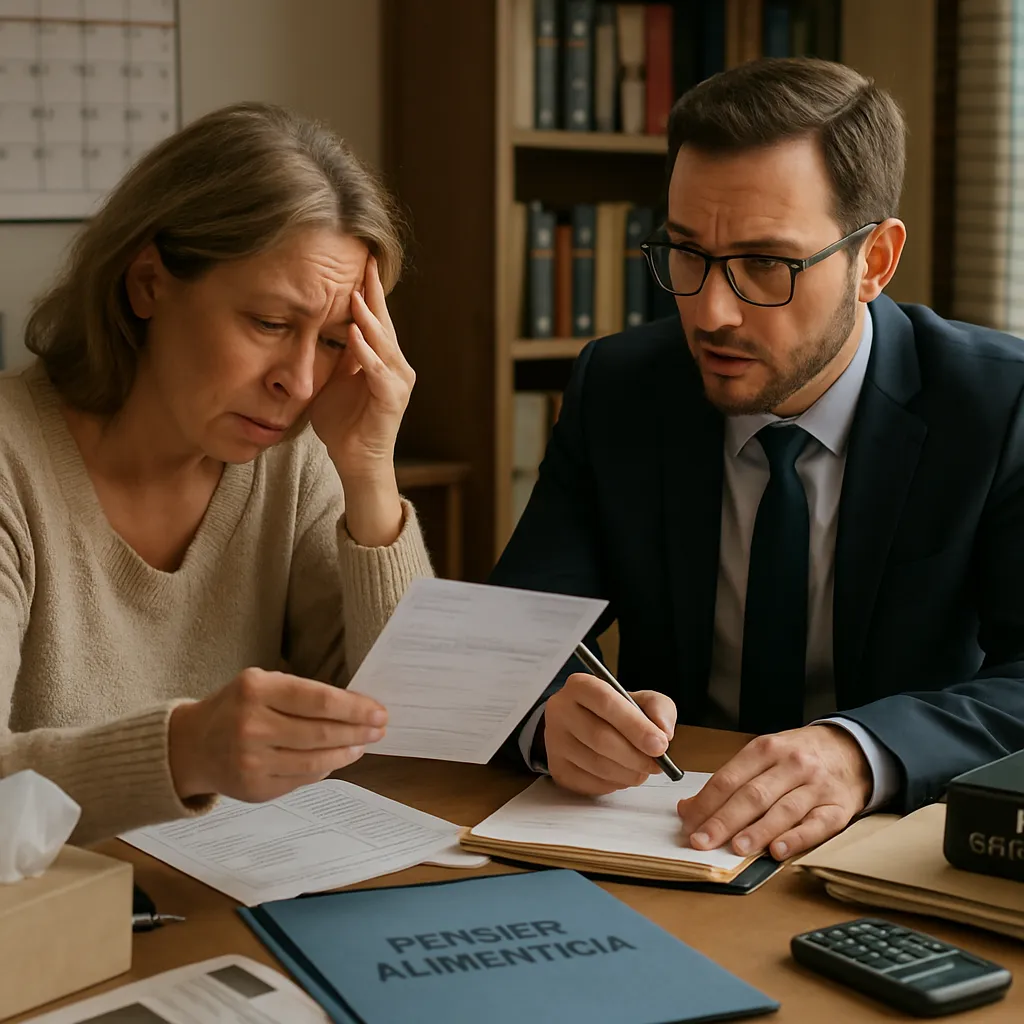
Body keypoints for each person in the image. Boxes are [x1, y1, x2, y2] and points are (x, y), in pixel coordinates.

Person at [491, 58, 1024, 862]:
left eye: (765, 264)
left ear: (874, 261)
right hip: (661, 833)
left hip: (886, 846)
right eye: (686, 253)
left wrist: (859, 752)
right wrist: (547, 720)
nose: (710, 311)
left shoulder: (995, 404)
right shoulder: (622, 387)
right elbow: (516, 637)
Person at [0, 103, 433, 845]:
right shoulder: (14, 463)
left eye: (332, 341)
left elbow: (416, 727)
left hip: (226, 910)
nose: (299, 382)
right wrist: (188, 749)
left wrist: (369, 473)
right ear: (147, 284)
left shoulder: (291, 459)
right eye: (269, 324)